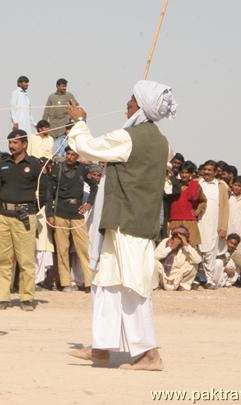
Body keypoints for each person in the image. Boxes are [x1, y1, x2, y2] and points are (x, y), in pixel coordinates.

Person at [66, 80, 175, 371]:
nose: (126, 103)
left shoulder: (129, 138)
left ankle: (150, 354)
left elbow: (87, 147)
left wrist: (79, 122)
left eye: (131, 99)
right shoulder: (162, 143)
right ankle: (101, 347)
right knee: (107, 282)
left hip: (130, 224)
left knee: (132, 288)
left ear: (140, 106)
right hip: (125, 223)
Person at [0, 129, 46, 311]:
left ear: (24, 144)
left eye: (15, 142)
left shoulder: (34, 164)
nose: (11, 146)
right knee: (2, 259)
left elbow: (45, 189)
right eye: (10, 142)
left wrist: (33, 209)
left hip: (24, 216)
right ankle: (2, 298)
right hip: (4, 216)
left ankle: (26, 298)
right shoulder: (4, 164)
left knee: (26, 260)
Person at [45, 147, 98, 293]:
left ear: (77, 156)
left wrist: (89, 203)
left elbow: (94, 186)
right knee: (62, 249)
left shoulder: (83, 169)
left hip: (77, 213)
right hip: (60, 212)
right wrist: (50, 213)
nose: (69, 157)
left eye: (73, 155)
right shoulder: (57, 169)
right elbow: (50, 193)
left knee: (83, 248)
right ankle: (65, 282)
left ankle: (89, 282)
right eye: (67, 154)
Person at [197, 160, 230, 289]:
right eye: (205, 169)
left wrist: (223, 226)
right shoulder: (198, 184)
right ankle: (198, 278)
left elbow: (225, 208)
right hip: (199, 222)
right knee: (198, 249)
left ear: (215, 172)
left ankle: (209, 279)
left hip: (214, 224)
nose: (206, 172)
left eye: (210, 170)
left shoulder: (221, 186)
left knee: (211, 251)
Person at [167, 161, 205, 246]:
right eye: (182, 172)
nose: (184, 175)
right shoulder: (174, 184)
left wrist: (196, 212)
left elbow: (203, 201)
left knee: (189, 248)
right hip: (174, 220)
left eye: (187, 173)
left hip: (189, 222)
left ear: (191, 173)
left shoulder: (195, 186)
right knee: (173, 248)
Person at [154, 225, 201, 291]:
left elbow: (198, 260)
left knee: (194, 263)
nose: (177, 239)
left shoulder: (187, 246)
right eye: (175, 236)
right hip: (163, 276)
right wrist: (170, 248)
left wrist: (186, 245)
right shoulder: (166, 242)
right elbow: (155, 256)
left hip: (177, 277)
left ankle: (183, 285)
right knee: (154, 262)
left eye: (180, 238)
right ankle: (156, 285)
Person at [42, 78, 79, 154]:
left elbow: (76, 106)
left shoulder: (69, 95)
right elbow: (46, 111)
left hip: (64, 126)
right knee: (52, 148)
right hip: (53, 126)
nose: (64, 88)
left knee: (63, 146)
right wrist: (43, 125)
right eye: (63, 86)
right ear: (57, 86)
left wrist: (72, 118)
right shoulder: (51, 97)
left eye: (65, 86)